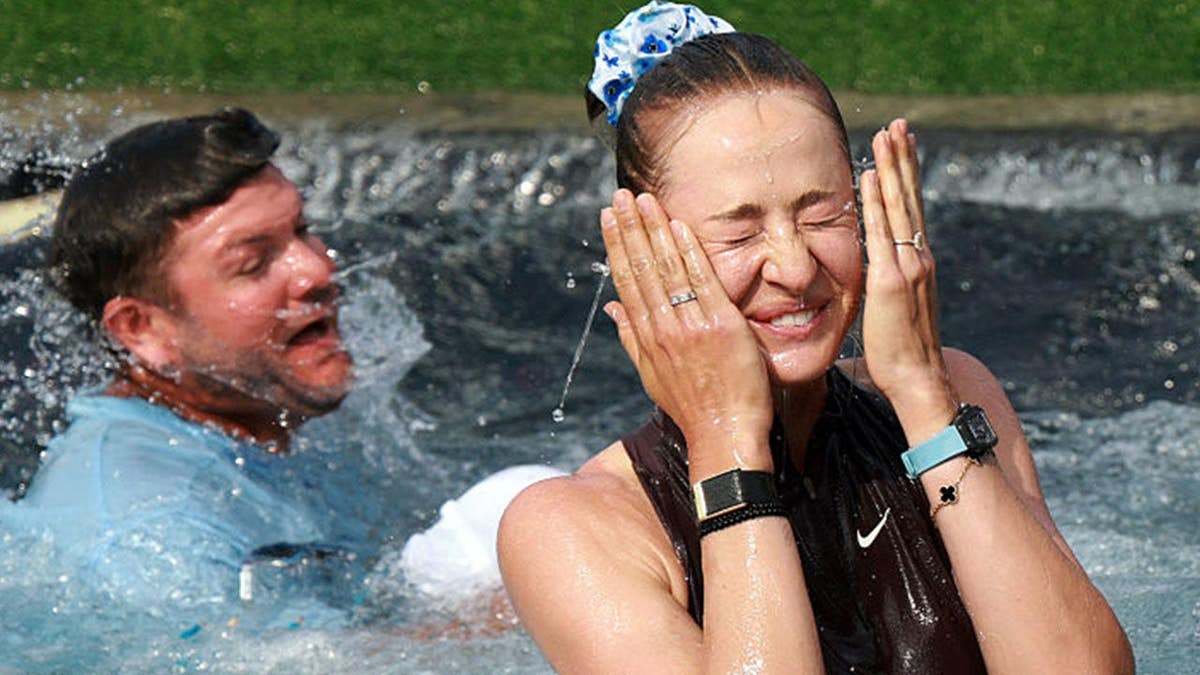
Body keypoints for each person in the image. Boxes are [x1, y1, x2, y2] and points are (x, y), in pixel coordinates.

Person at [498, 3, 1134, 673]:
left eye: (823, 215)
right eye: (739, 233)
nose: (796, 268)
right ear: (645, 255)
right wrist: (726, 441)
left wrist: (922, 395)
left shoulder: (958, 395)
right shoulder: (573, 529)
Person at [4, 108, 560, 618]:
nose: (316, 269)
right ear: (141, 328)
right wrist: (507, 619)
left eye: (301, 230)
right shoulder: (152, 535)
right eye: (252, 264)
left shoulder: (261, 411)